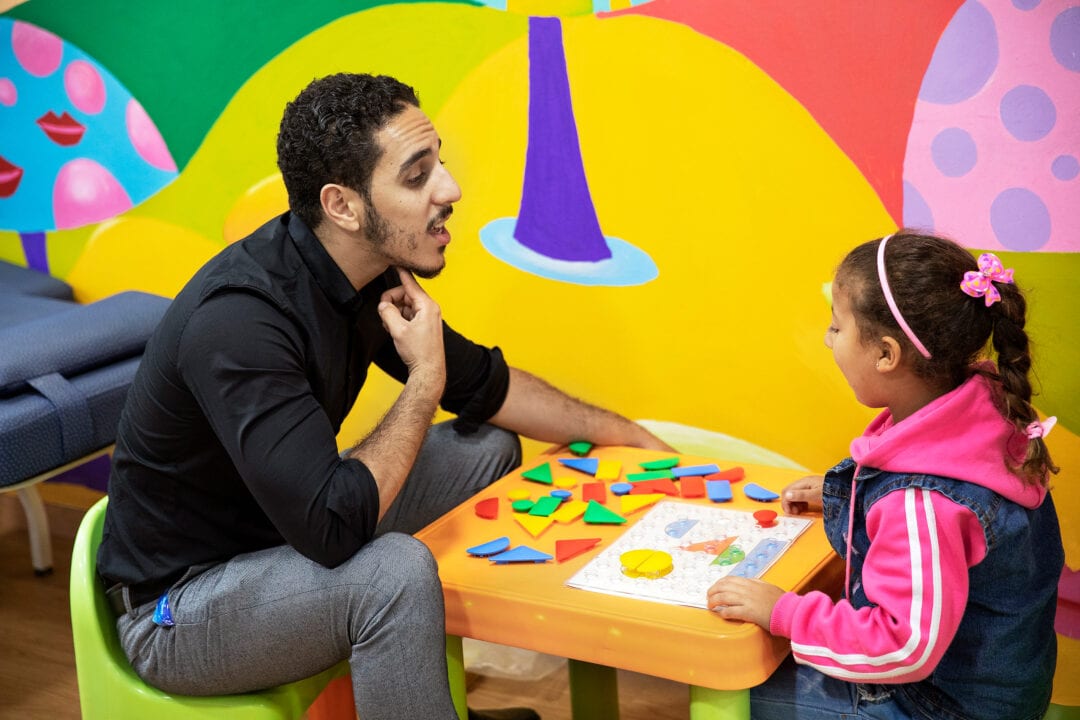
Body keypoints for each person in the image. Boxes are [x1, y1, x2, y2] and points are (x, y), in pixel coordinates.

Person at [97, 72, 674, 720]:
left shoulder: (360, 268)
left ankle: (429, 700)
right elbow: (332, 528)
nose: (450, 190)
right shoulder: (241, 322)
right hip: (181, 609)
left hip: (284, 540)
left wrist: (633, 437)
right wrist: (423, 384)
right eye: (416, 176)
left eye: (440, 166)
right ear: (343, 205)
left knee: (484, 447)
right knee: (391, 574)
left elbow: (484, 384)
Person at [706, 231, 1063, 720]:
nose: (828, 340)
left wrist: (783, 612)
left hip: (936, 706)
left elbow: (903, 646)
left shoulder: (922, 503)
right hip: (995, 692)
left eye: (836, 328)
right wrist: (852, 491)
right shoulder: (985, 409)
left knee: (729, 687)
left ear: (886, 355)